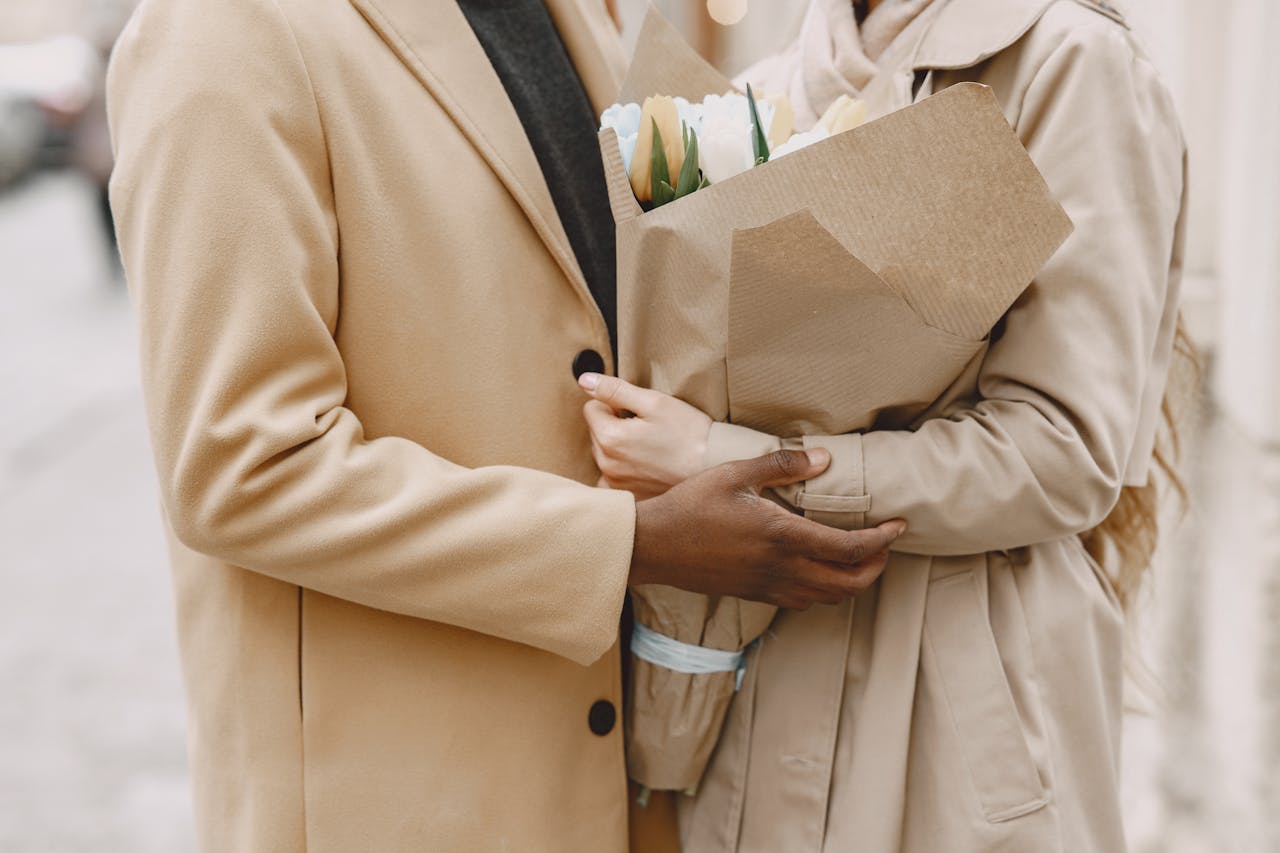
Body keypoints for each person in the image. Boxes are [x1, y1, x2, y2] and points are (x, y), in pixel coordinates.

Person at [104, 0, 908, 850]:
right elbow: (241, 467)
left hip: (620, 780)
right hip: (405, 801)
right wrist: (633, 542)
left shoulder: (570, 15)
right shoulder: (224, 29)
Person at [581, 0, 1192, 850]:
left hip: (956, 694)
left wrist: (722, 459)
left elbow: (1066, 448)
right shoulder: (755, 97)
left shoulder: (1070, 63)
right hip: (761, 691)